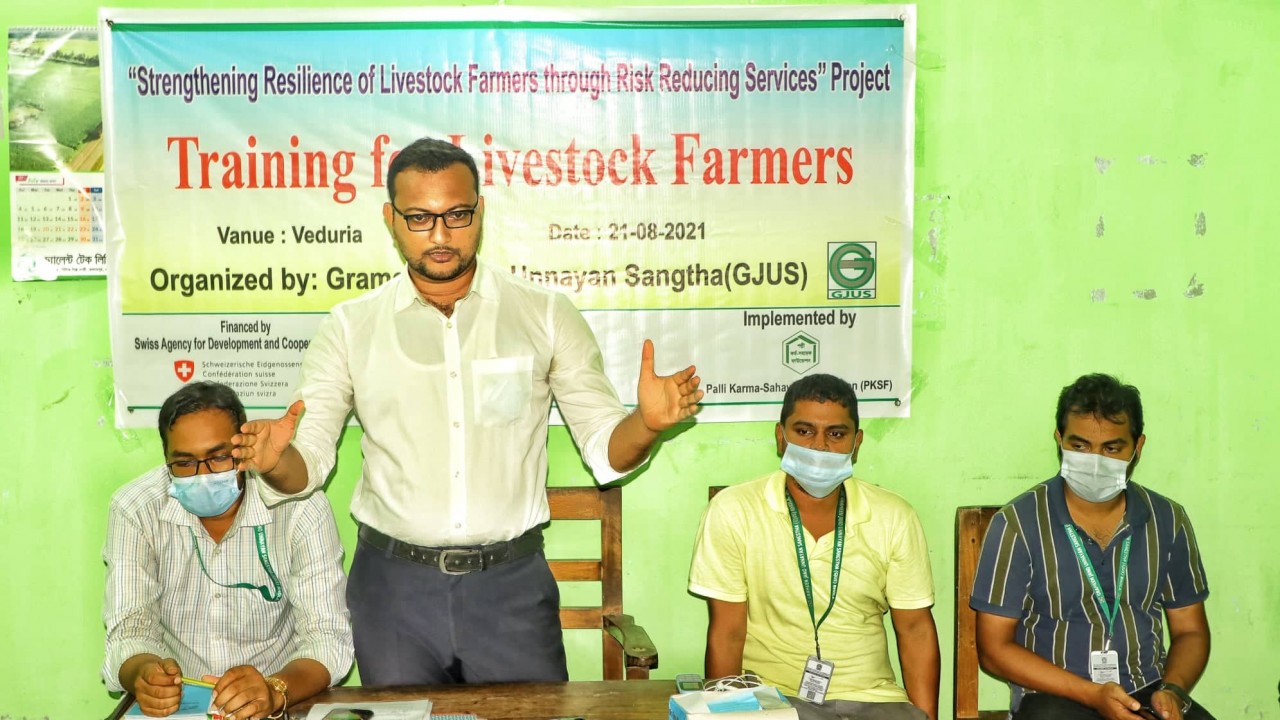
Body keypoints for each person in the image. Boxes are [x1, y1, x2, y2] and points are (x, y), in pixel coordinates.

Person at [232, 136, 702, 685]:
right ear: (390, 219)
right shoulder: (350, 327)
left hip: (511, 587)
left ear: (480, 211)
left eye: (457, 215)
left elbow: (604, 449)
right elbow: (308, 462)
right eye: (419, 218)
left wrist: (645, 424)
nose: (439, 235)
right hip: (393, 592)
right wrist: (275, 461)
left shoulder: (544, 315)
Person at [689, 374, 939, 720]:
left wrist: (926, 717)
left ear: (857, 443)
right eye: (804, 431)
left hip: (874, 699)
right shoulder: (735, 510)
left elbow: (915, 630)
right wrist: (726, 715)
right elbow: (727, 632)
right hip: (773, 699)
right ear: (781, 438)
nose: (819, 446)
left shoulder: (894, 515)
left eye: (836, 434)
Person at [971, 373, 1214, 720]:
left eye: (1112, 449)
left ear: (1138, 446)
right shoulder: (1018, 524)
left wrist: (1173, 690)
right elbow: (994, 650)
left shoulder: (1167, 519)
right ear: (1059, 440)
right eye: (1080, 446)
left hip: (1147, 690)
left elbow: (1190, 630)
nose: (1096, 461)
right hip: (1054, 695)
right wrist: (1092, 694)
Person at [102, 382, 352, 719]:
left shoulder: (301, 508)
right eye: (184, 463)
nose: (202, 475)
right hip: (180, 708)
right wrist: (144, 674)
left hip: (278, 699)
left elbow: (328, 637)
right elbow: (129, 629)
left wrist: (274, 690)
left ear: (243, 451)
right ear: (166, 461)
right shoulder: (135, 509)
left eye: (219, 457)